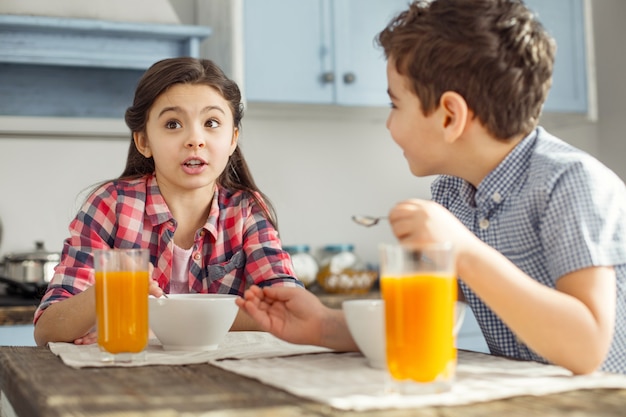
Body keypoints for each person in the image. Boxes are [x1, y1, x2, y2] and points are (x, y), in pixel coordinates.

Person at [237, 0, 626, 375]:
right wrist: (323, 325)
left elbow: (587, 347)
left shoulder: (570, 182)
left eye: (395, 104)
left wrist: (462, 250)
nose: (389, 125)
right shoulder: (452, 195)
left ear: (450, 116)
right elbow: (424, 322)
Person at [34, 57, 302, 346]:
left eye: (211, 123)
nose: (195, 139)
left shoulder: (247, 210)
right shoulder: (110, 206)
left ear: (233, 138)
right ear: (143, 141)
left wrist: (147, 321)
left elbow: (289, 310)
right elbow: (48, 330)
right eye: (173, 124)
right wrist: (110, 292)